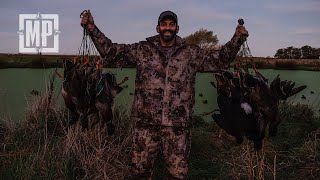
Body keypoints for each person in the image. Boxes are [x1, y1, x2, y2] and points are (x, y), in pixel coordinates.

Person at [81, 10, 248, 179]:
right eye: (164, 24)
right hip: (145, 124)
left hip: (178, 127)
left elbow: (219, 60)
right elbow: (112, 53)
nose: (167, 28)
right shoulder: (143, 49)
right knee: (140, 172)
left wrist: (237, 39)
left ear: (177, 28)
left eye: (171, 24)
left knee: (177, 175)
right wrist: (92, 28)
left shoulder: (190, 53)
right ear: (158, 27)